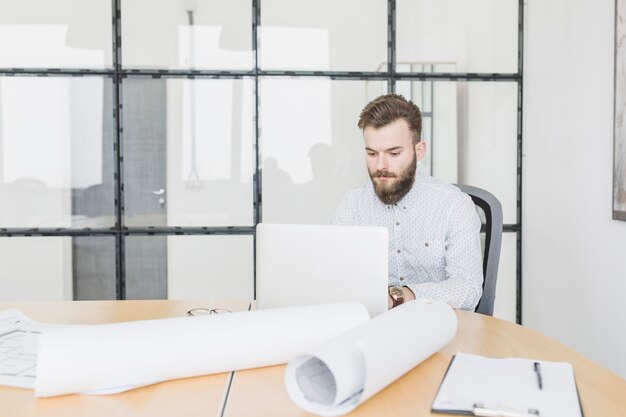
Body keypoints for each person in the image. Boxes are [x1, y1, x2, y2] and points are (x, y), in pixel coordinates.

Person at [331, 93, 483, 310]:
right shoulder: (352, 205)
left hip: (439, 328)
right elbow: (333, 276)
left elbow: (468, 288)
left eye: (393, 153)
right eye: (372, 153)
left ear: (418, 151)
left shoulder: (454, 205)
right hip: (372, 330)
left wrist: (401, 296)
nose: (380, 165)